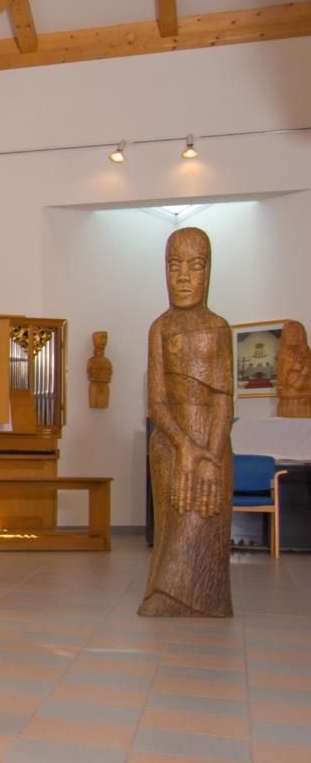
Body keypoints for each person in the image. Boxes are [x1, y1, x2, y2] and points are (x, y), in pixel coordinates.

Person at [140, 228, 233, 617]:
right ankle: (166, 590)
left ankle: (205, 598)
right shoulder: (160, 328)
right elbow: (157, 400)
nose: (182, 277)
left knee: (203, 518)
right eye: (173, 266)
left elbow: (224, 399)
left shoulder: (219, 327)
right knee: (175, 524)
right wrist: (184, 446)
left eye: (194, 267)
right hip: (171, 443)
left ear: (208, 272)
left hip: (213, 441)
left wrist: (209, 453)